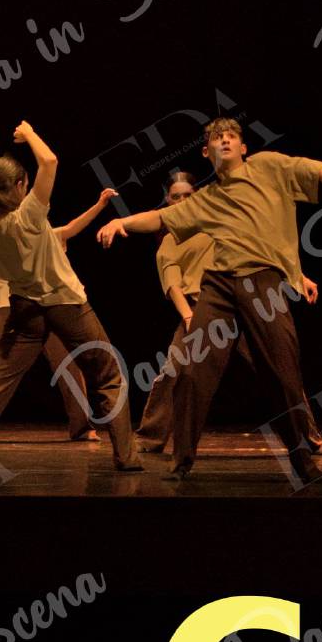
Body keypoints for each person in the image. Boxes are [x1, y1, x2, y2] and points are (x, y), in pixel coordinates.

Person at [97, 118, 322, 482]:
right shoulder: (207, 198)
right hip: (219, 286)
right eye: (217, 138)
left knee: (283, 374)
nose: (225, 141)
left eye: (232, 137)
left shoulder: (268, 167)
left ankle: (302, 459)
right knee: (191, 371)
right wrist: (121, 223)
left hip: (262, 282)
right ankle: (181, 462)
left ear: (243, 147)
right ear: (207, 152)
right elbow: (160, 218)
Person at [0, 122, 142, 473]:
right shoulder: (29, 216)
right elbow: (49, 161)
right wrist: (29, 134)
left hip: (24, 309)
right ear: (22, 185)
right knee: (107, 373)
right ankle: (126, 456)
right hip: (66, 304)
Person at [0, 185, 118, 444]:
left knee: (67, 365)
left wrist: (99, 205)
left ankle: (81, 425)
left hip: (50, 305)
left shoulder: (44, 235)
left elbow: (72, 227)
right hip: (8, 306)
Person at [134, 171, 206, 454]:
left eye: (188, 195)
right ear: (167, 200)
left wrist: (296, 276)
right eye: (176, 197)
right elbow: (172, 283)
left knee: (276, 366)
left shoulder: (216, 221)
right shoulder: (169, 239)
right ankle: (150, 437)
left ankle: (307, 437)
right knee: (173, 370)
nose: (183, 201)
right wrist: (188, 316)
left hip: (237, 303)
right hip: (198, 307)